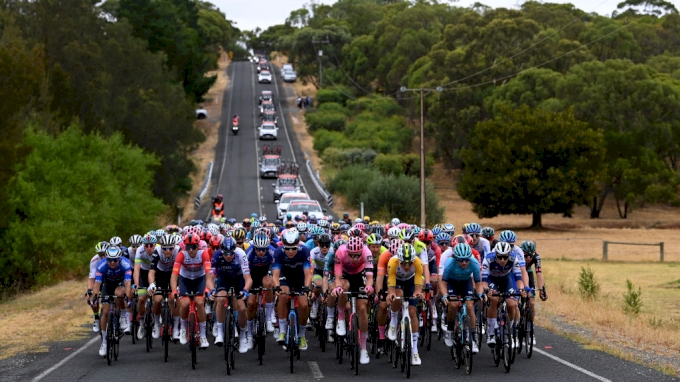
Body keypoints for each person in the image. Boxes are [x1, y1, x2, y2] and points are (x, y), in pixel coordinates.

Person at [332, 236, 374, 365]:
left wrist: (368, 286)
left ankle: (363, 348)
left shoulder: (367, 252)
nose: (355, 258)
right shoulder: (340, 251)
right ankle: (340, 318)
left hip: (360, 274)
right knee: (343, 287)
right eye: (352, 255)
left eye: (357, 255)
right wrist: (338, 287)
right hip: (345, 274)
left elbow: (370, 277)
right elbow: (338, 276)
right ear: (347, 252)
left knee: (362, 308)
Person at [171, 233, 214, 349]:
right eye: (188, 247)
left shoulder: (203, 254)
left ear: (198, 246)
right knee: (184, 304)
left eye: (193, 247)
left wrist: (207, 288)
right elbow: (174, 276)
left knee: (200, 302)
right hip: (185, 280)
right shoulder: (181, 255)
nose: (191, 250)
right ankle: (184, 329)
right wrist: (174, 290)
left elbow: (209, 274)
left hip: (200, 279)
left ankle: (203, 336)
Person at [439, 243, 483, 354]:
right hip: (452, 284)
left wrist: (480, 294)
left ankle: (473, 338)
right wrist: (444, 296)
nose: (464, 263)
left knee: (469, 305)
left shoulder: (474, 263)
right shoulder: (450, 263)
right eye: (461, 260)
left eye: (466, 260)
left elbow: (478, 283)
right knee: (453, 305)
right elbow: (443, 283)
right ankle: (449, 330)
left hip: (466, 283)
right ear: (456, 258)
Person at [272, 230, 312, 350]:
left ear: (298, 245)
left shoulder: (304, 251)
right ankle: (282, 331)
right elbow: (275, 275)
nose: (290, 251)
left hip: (300, 278)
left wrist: (307, 287)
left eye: (293, 248)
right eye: (287, 248)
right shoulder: (278, 252)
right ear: (283, 246)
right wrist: (276, 286)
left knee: (304, 305)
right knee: (283, 295)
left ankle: (301, 336)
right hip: (285, 277)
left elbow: (308, 274)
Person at [211, 237, 252, 353]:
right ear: (222, 251)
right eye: (226, 253)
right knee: (220, 299)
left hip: (238, 279)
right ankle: (219, 332)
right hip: (224, 278)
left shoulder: (241, 254)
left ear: (235, 250)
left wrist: (245, 290)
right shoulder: (217, 255)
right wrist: (211, 290)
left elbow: (248, 279)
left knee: (242, 309)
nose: (228, 255)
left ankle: (243, 336)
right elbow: (210, 277)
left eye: (231, 253)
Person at [386, 244, 424, 366]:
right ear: (399, 261)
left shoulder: (418, 262)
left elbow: (418, 286)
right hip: (397, 281)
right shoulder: (393, 262)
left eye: (409, 263)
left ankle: (414, 350)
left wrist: (418, 293)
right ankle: (393, 321)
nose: (407, 266)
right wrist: (391, 294)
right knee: (398, 294)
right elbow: (391, 287)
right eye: (403, 264)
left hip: (411, 282)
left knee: (413, 312)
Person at [91, 246, 133, 357]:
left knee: (119, 294)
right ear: (106, 259)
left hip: (121, 283)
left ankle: (123, 314)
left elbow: (128, 284)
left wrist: (127, 299)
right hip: (108, 284)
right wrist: (95, 297)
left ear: (119, 259)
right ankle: (104, 342)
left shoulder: (125, 264)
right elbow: (97, 284)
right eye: (110, 260)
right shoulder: (102, 265)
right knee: (105, 311)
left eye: (115, 260)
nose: (112, 263)